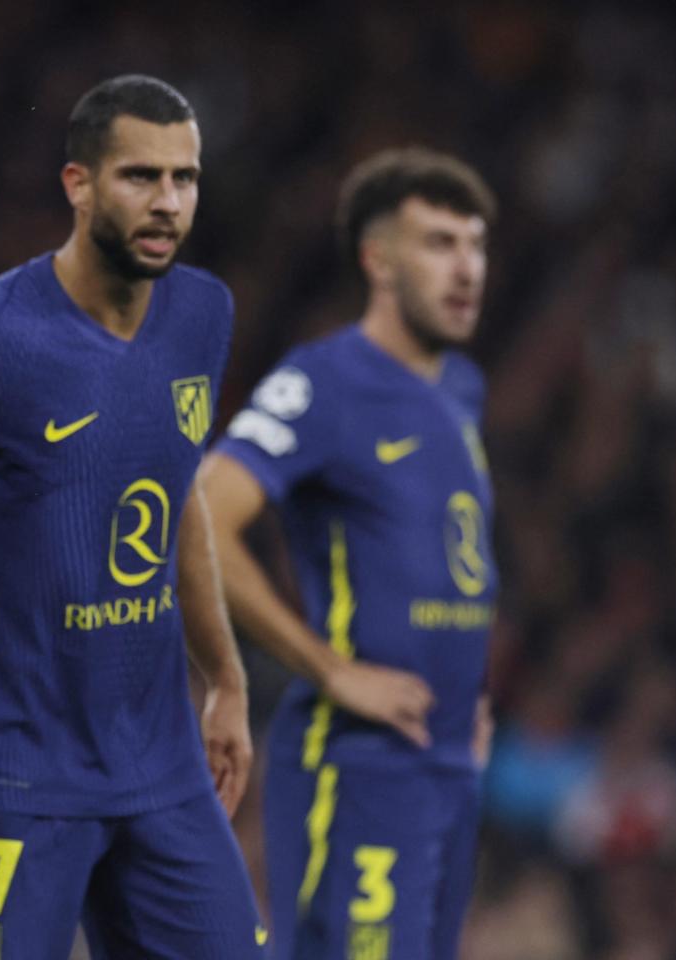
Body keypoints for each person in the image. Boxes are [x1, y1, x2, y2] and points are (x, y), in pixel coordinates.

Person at [0, 74, 265, 959]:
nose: (167, 203)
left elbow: (176, 492)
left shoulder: (203, 315)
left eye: (184, 179)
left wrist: (224, 675)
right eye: (139, 177)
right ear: (78, 185)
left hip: (161, 764)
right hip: (11, 767)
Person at [197, 146, 498, 960]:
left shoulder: (461, 388)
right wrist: (330, 668)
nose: (466, 267)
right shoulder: (326, 381)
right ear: (378, 259)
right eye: (438, 243)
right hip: (361, 766)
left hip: (444, 764)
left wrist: (469, 692)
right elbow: (202, 518)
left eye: (474, 244)